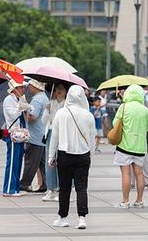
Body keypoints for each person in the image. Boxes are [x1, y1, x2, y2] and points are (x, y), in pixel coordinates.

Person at [48, 85, 96, 229]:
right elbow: (92, 139)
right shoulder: (88, 115)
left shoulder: (61, 113)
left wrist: (51, 155)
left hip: (65, 154)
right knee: (81, 187)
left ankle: (63, 217)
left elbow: (54, 137)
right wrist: (90, 155)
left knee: (65, 187)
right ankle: (82, 218)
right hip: (83, 155)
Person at [113, 84, 148, 208]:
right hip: (140, 147)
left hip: (124, 146)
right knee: (139, 174)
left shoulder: (123, 107)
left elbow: (115, 124)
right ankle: (139, 201)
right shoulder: (145, 110)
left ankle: (125, 201)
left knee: (126, 174)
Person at [20, 79, 49, 193]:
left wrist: (23, 110)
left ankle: (24, 184)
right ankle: (45, 184)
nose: (29, 87)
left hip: (35, 136)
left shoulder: (37, 100)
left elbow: (32, 118)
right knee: (41, 164)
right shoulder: (44, 97)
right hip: (42, 135)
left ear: (36, 87)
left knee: (30, 162)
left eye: (31, 85)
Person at [2, 79, 31, 197]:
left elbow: (29, 111)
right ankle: (9, 189)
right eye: (20, 87)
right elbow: (12, 114)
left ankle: (15, 188)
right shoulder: (8, 100)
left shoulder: (18, 99)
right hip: (13, 133)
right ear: (14, 89)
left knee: (18, 161)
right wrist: (20, 107)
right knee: (13, 161)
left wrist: (25, 106)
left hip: (20, 133)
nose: (23, 89)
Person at [42, 83, 67, 202]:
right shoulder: (51, 103)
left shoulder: (67, 104)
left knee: (60, 162)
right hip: (50, 133)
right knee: (50, 161)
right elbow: (44, 120)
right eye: (57, 89)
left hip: (62, 134)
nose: (59, 91)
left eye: (61, 89)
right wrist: (47, 111)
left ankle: (60, 189)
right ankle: (50, 189)